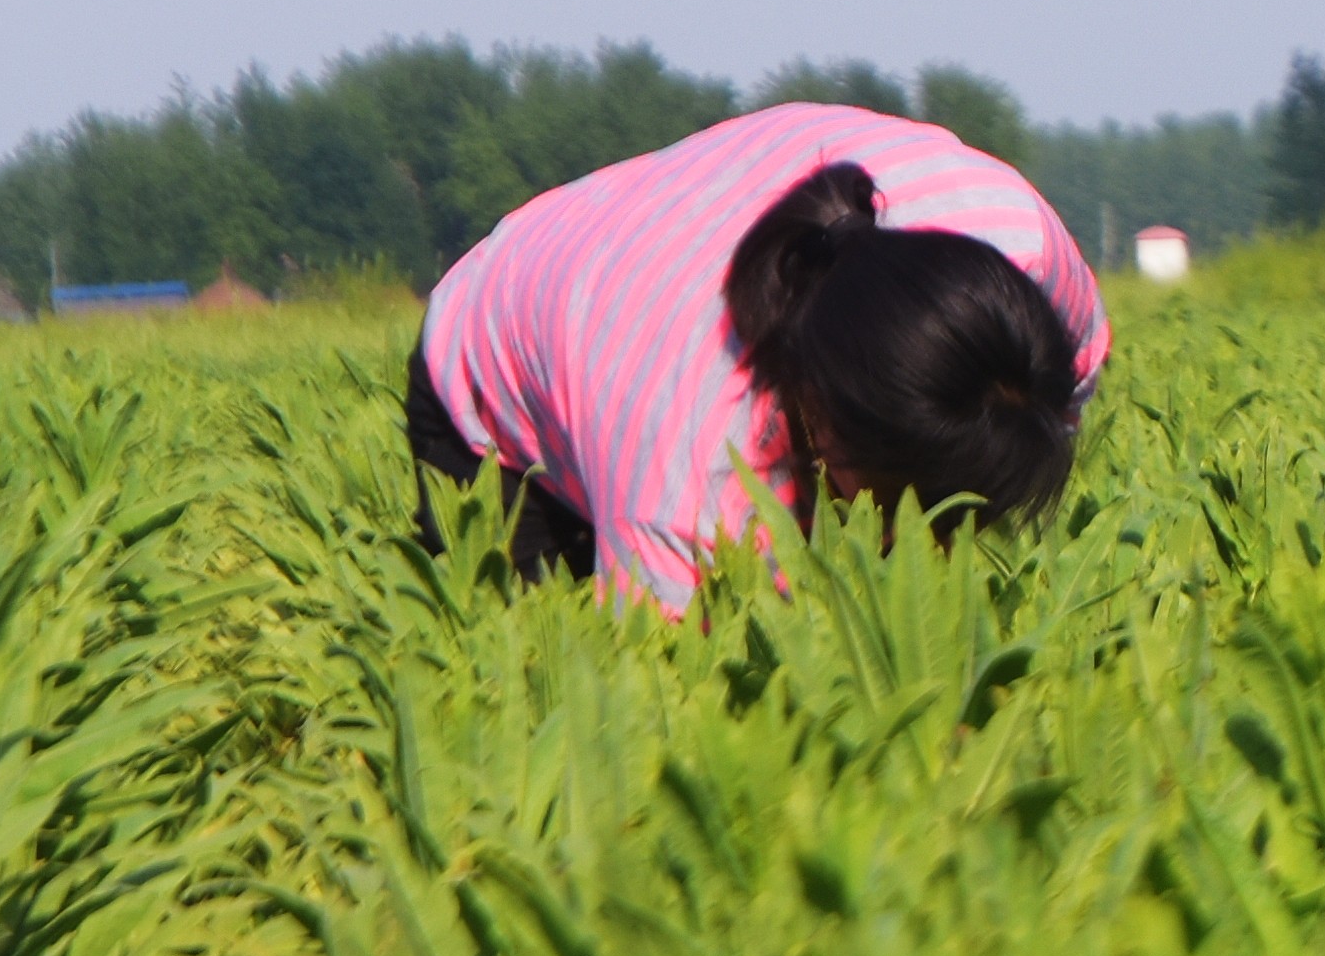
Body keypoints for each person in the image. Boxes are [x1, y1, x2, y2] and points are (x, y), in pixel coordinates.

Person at [404, 100, 1106, 607]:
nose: (939, 545)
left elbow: (1045, 401)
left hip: (677, 238)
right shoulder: (685, 465)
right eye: (915, 512)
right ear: (825, 433)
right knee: (533, 678)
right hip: (501, 370)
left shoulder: (1024, 250)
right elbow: (656, 696)